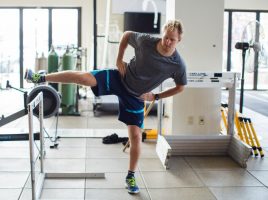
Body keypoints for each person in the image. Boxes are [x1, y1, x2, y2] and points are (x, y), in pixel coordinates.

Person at [24, 19, 187, 194]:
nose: (168, 42)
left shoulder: (178, 64)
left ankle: (130, 176)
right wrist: (119, 59)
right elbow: (126, 35)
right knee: (84, 77)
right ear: (162, 34)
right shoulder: (147, 40)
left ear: (179, 40)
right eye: (166, 37)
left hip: (136, 97)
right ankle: (39, 78)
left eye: (172, 39)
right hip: (120, 78)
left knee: (136, 137)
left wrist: (155, 96)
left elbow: (180, 87)